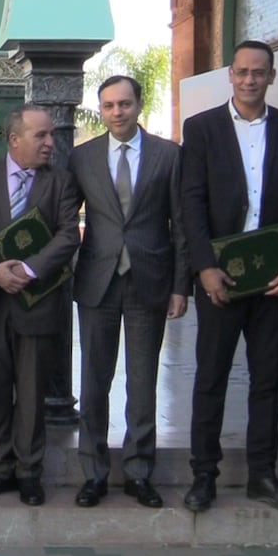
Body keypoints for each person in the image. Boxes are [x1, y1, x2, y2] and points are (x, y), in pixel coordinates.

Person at [180, 40, 278, 514]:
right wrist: (204, 267)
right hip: (220, 278)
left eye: (259, 72)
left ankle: (263, 474)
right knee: (211, 377)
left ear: (271, 77)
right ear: (230, 76)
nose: (250, 79)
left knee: (267, 380)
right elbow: (190, 203)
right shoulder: (201, 129)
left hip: (274, 278)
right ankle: (203, 476)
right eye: (241, 72)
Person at [68, 76, 189, 509]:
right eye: (108, 106)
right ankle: (94, 473)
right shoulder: (81, 158)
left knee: (142, 382)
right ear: (99, 110)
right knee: (94, 380)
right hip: (98, 281)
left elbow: (182, 228)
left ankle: (140, 472)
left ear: (139, 105)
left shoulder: (168, 155)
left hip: (149, 281)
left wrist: (181, 287)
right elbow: (67, 220)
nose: (116, 112)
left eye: (124, 104)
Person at [0, 103, 80, 508]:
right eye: (42, 135)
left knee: (32, 395)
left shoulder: (62, 182)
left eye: (51, 135)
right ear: (15, 140)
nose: (51, 142)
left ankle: (30, 472)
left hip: (38, 304)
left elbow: (69, 235)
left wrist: (29, 269)